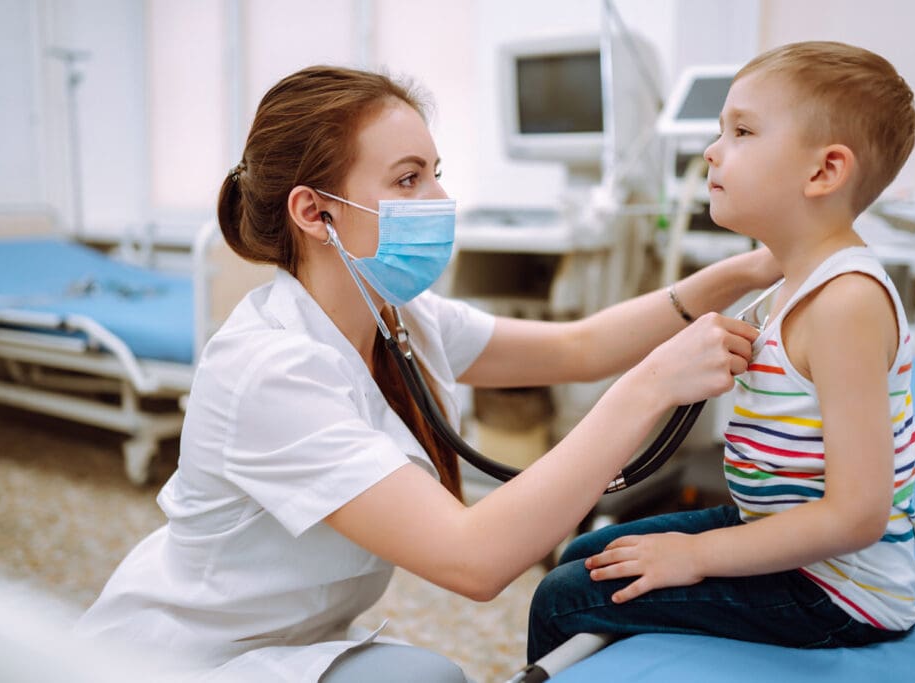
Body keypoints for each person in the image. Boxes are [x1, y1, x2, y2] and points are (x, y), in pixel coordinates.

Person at [74, 65, 779, 682]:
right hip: (180, 661)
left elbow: (578, 348)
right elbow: (473, 561)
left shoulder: (397, 314)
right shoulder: (271, 370)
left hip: (290, 640)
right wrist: (653, 385)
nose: (439, 198)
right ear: (315, 212)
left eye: (437, 172)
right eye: (409, 178)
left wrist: (740, 271)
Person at [526, 40, 915, 664]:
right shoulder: (793, 279)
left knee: (566, 596)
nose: (712, 150)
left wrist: (694, 556)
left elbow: (858, 516)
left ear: (823, 172)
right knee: (583, 555)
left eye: (741, 131)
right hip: (778, 539)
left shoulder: (846, 303)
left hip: (837, 590)